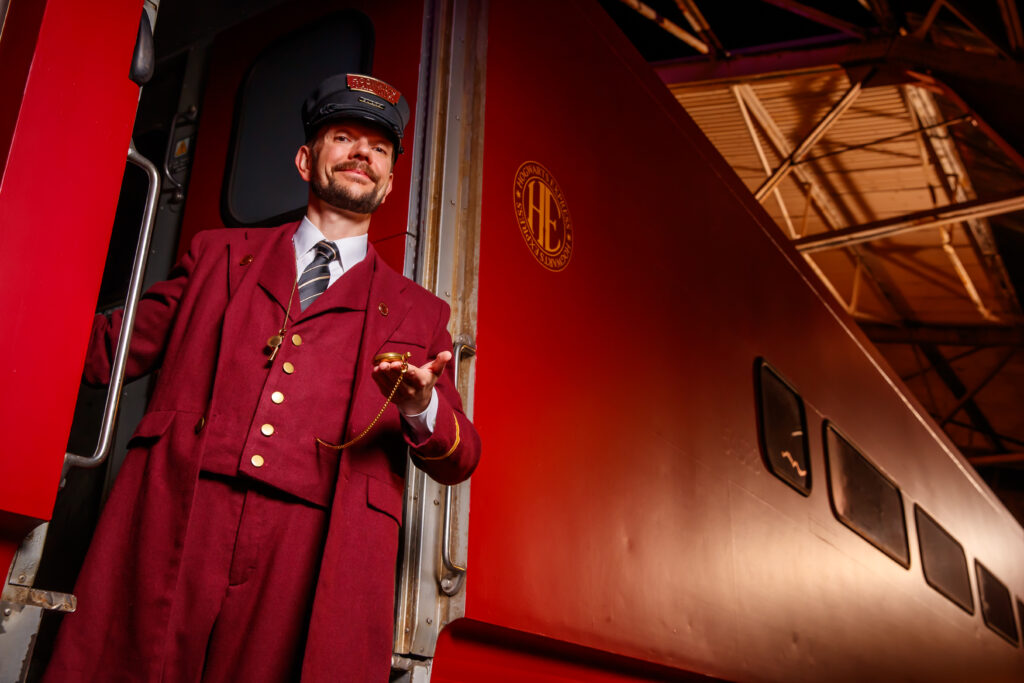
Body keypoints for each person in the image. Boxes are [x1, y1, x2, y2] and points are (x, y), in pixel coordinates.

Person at [44, 73, 480, 682]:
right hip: (182, 509)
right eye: (344, 137)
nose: (362, 153)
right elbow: (107, 354)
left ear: (387, 181)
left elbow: (460, 456)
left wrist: (419, 409)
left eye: (379, 149)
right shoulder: (216, 256)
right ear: (307, 160)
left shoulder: (420, 311)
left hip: (311, 545)